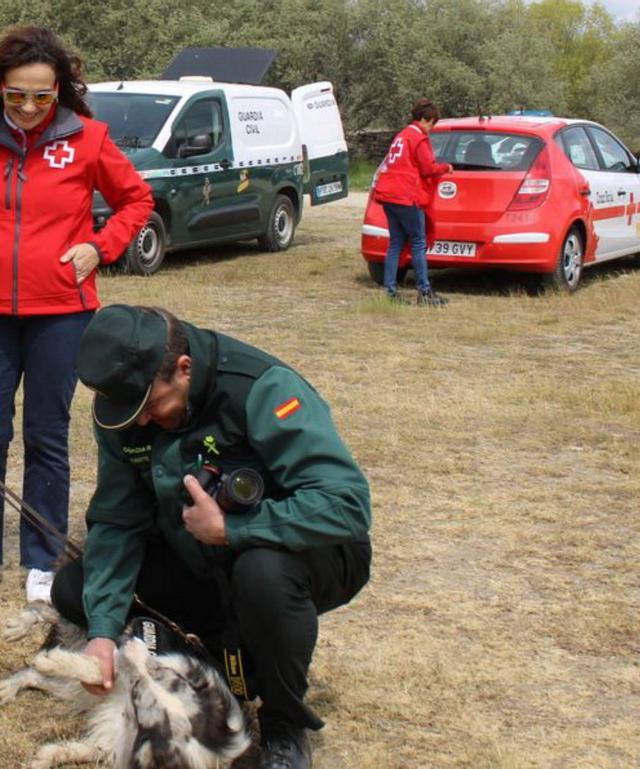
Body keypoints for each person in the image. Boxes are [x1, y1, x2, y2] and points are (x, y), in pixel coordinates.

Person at [53, 305, 372, 769]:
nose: (140, 422)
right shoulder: (126, 414)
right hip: (198, 558)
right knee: (74, 588)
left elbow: (347, 505)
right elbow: (118, 521)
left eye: (150, 407)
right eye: (130, 411)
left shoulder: (261, 389)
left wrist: (235, 528)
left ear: (184, 369)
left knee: (262, 571)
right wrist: (101, 632)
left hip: (301, 556)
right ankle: (209, 659)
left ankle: (284, 725)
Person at [0, 27, 153, 603]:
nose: (27, 108)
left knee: (47, 435)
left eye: (41, 97)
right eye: (16, 95)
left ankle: (44, 556)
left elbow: (137, 200)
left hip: (63, 314)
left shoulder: (89, 139)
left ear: (60, 93)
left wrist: (101, 246)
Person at [372, 97, 453, 306]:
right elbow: (428, 168)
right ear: (426, 119)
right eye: (432, 123)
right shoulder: (418, 138)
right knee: (418, 241)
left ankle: (390, 291)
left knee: (396, 242)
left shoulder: (402, 135)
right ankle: (424, 292)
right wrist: (446, 167)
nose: (431, 129)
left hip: (388, 194)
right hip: (406, 195)